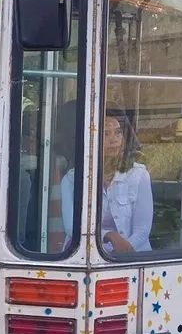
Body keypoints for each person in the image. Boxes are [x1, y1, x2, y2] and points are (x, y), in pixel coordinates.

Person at [61, 107, 152, 253]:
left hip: (133, 256)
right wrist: (108, 235)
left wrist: (122, 251)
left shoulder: (139, 175)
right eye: (106, 133)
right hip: (87, 254)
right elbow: (71, 227)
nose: (113, 139)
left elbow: (142, 230)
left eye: (118, 133)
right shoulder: (71, 180)